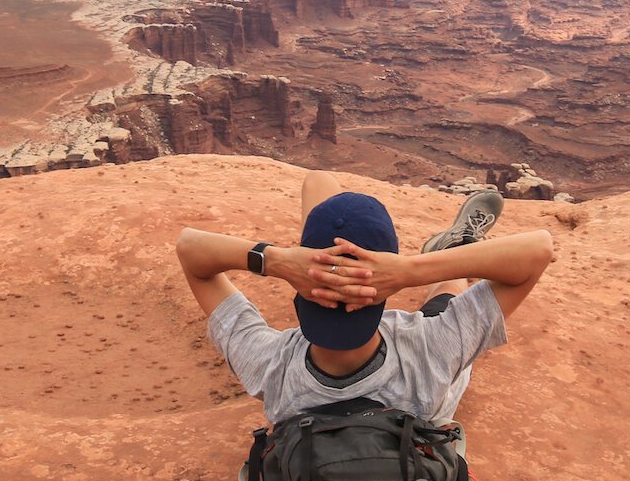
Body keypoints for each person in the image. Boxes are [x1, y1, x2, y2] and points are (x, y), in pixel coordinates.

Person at [176, 170, 555, 425]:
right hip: (425, 411)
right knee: (447, 293)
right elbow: (537, 250)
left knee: (329, 216)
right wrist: (410, 270)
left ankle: (335, 251)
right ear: (383, 291)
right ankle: (453, 249)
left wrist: (278, 259)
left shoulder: (267, 364)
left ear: (301, 291)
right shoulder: (434, 350)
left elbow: (191, 250)